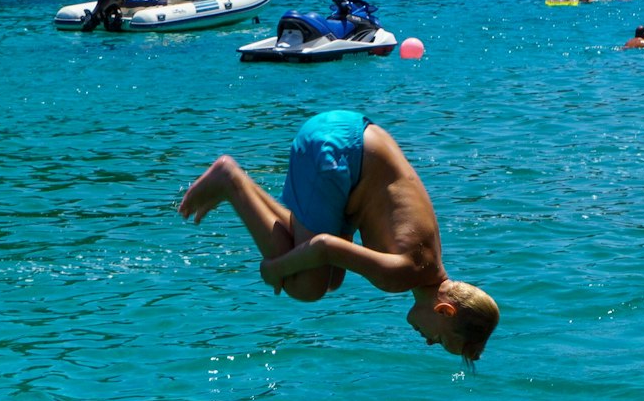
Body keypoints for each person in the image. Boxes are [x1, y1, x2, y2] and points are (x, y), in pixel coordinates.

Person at [178, 111, 499, 362]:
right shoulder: (403, 275)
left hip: (351, 140)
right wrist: (275, 269)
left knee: (329, 280)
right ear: (445, 311)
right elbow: (325, 246)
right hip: (338, 149)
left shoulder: (429, 263)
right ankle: (230, 180)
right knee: (306, 286)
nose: (428, 342)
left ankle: (235, 182)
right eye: (439, 340)